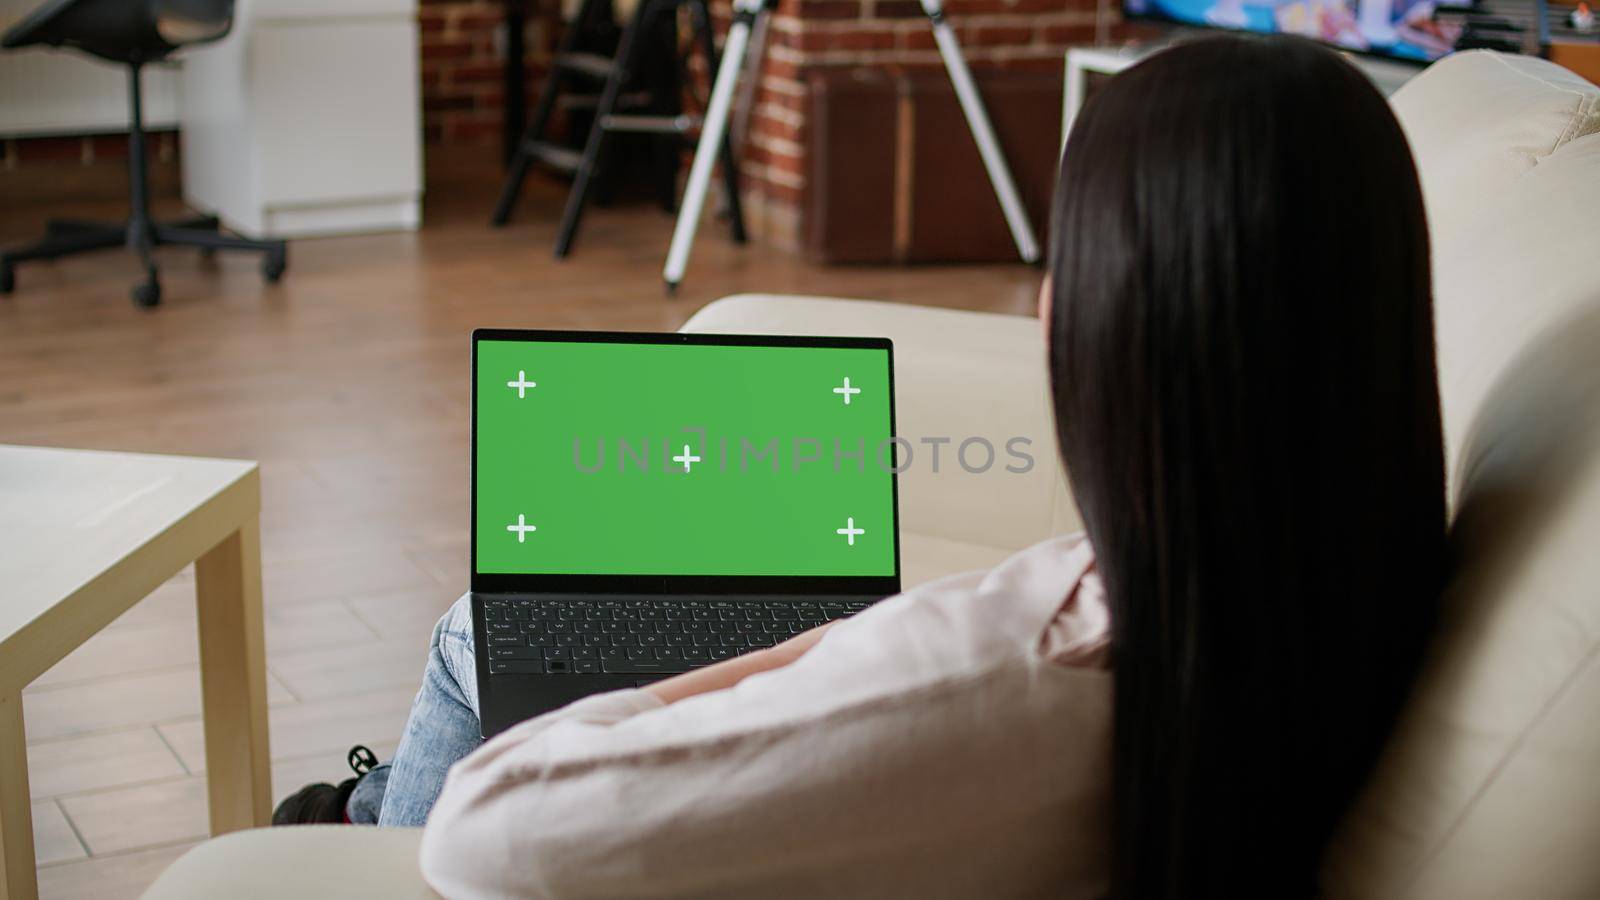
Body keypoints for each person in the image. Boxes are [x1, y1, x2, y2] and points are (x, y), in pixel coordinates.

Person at [275, 33, 1446, 899]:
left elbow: (488, 831)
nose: (1043, 298)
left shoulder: (1011, 669)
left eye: (1068, 255)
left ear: (1116, 323)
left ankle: (354, 834)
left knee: (485, 632)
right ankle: (357, 808)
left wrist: (786, 654)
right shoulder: (1344, 556)